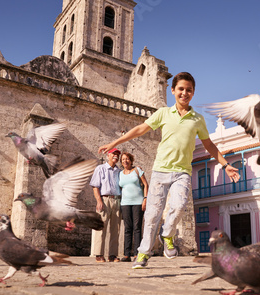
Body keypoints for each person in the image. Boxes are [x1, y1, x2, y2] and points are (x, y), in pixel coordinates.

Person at [98, 72, 240, 269]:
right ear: (173, 90)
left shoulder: (197, 120)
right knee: (152, 214)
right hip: (160, 171)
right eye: (181, 89)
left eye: (189, 90)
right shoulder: (163, 113)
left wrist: (225, 165)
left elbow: (209, 145)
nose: (184, 93)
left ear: (193, 93)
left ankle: (168, 234)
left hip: (182, 172)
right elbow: (140, 129)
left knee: (180, 205)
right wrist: (115, 142)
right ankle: (143, 254)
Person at [89, 148, 122, 263]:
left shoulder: (119, 171)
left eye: (118, 155)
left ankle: (112, 255)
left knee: (115, 229)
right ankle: (99, 254)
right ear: (108, 155)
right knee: (101, 228)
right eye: (114, 154)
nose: (116, 156)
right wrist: (99, 201)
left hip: (117, 200)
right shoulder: (100, 169)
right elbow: (95, 186)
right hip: (104, 199)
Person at [118, 152, 149, 262]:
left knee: (137, 228)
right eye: (123, 159)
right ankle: (127, 255)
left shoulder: (137, 170)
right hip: (125, 203)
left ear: (131, 160)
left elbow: (145, 184)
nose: (125, 161)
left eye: (127, 159)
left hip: (138, 202)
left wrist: (145, 198)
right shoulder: (120, 173)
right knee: (127, 228)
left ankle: (137, 253)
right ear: (121, 162)